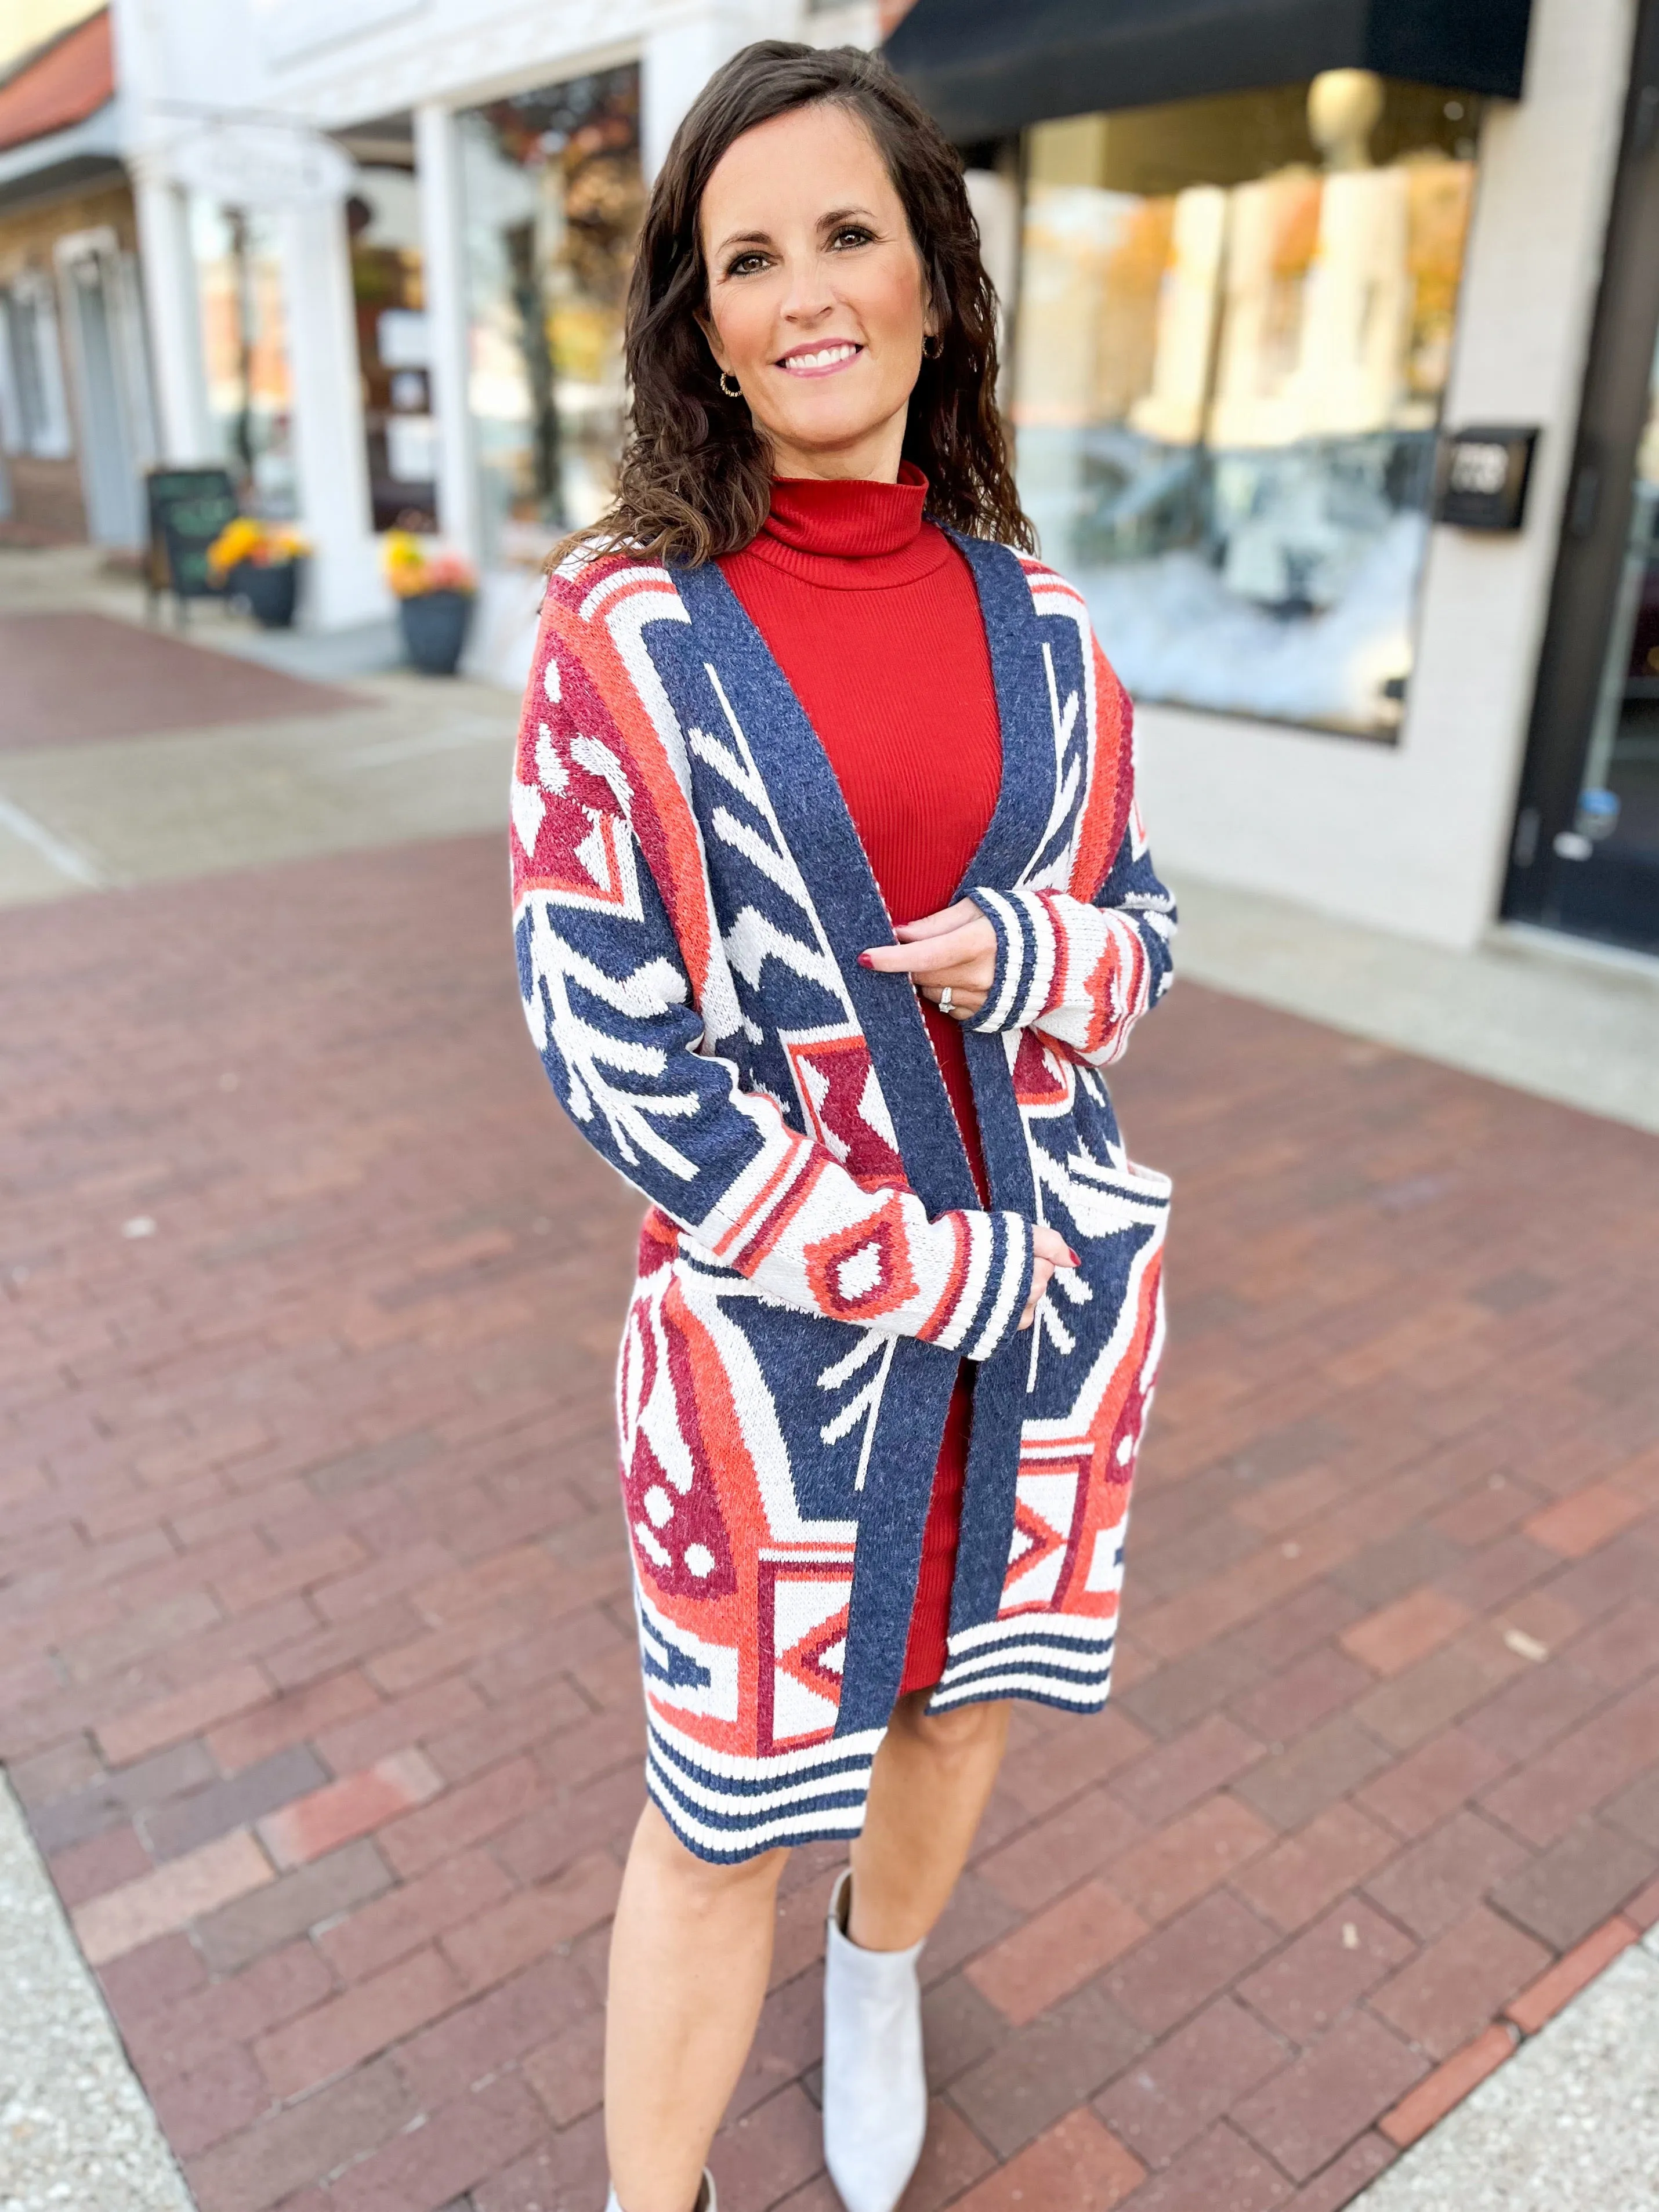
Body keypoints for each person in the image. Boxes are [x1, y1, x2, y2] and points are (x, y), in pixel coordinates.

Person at [509, 41, 1176, 2212]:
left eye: (847, 237)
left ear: (934, 282)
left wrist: (1035, 955)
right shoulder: (624, 629)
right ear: (699, 319)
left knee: (954, 1710)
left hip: (1037, 1335)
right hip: (772, 1363)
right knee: (717, 1807)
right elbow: (599, 1034)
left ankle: (878, 1982)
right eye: (746, 256)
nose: (805, 293)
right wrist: (913, 1264)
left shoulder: (1048, 630)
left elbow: (1145, 936)